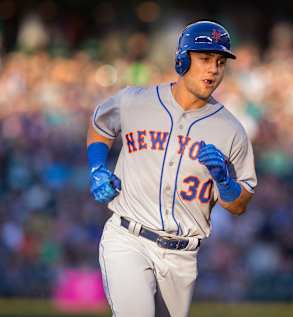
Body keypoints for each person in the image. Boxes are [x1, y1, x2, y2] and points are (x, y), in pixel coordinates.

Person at [85, 20, 257, 317]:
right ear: (182, 59)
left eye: (219, 62)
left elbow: (240, 204)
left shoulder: (231, 130)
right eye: (204, 59)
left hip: (183, 256)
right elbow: (100, 125)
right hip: (128, 237)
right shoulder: (135, 101)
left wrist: (225, 182)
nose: (213, 69)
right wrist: (96, 167)